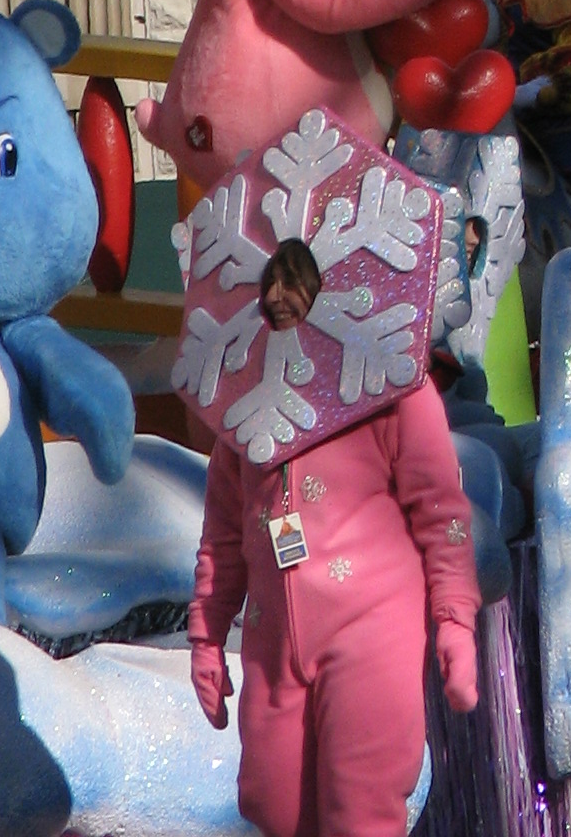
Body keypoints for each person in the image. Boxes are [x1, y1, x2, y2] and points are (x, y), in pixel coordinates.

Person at [188, 239, 482, 837]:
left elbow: (441, 513)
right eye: (269, 281)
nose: (277, 296)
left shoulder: (395, 389)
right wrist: (207, 635)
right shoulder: (245, 403)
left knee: (361, 812)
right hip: (274, 640)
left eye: (293, 279)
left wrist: (455, 620)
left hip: (371, 630)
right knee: (273, 804)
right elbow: (223, 531)